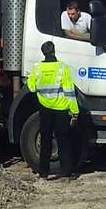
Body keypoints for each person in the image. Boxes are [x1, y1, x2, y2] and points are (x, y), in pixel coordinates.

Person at [26, 40, 80, 178]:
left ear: (43, 52)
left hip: (45, 107)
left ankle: (43, 173)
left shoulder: (37, 68)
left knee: (45, 139)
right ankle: (67, 171)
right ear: (54, 51)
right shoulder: (63, 68)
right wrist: (75, 111)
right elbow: (69, 91)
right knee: (63, 139)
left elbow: (31, 87)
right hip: (61, 108)